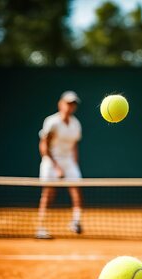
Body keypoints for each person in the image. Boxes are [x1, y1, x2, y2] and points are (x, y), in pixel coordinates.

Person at [36, 91, 83, 239]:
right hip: (51, 160)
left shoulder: (76, 124)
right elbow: (44, 145)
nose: (71, 107)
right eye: (68, 103)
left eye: (73, 104)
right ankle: (41, 227)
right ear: (61, 104)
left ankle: (76, 222)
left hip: (68, 161)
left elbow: (74, 145)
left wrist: (73, 164)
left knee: (77, 190)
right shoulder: (52, 122)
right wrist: (56, 166)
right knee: (48, 193)